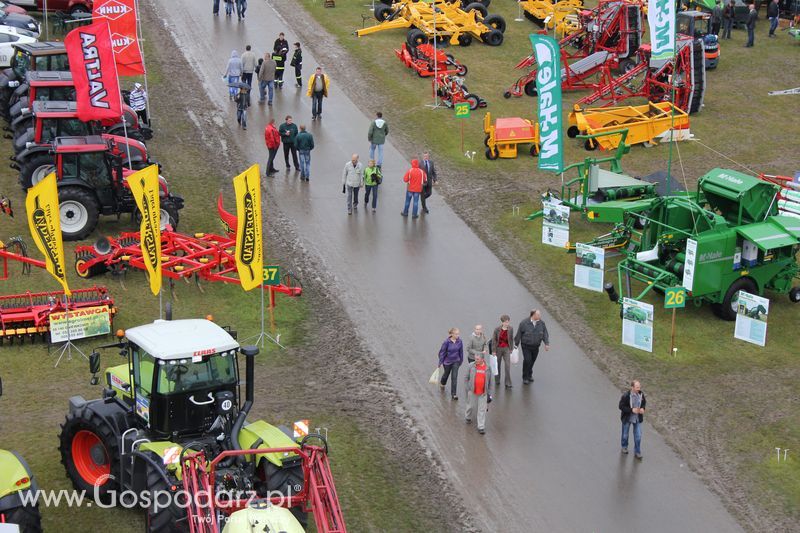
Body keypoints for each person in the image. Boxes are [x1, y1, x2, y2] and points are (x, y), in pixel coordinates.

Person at [514, 309, 550, 384]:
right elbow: (518, 335)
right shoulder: (524, 323)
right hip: (526, 346)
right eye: (538, 315)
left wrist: (546, 343)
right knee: (527, 360)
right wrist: (515, 345)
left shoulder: (541, 323)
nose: (540, 316)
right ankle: (525, 377)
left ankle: (529, 374)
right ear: (533, 315)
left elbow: (545, 334)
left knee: (532, 361)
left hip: (536, 347)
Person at [464, 353, 493, 434]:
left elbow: (490, 381)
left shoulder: (488, 367)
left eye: (477, 359)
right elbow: (466, 378)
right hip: (472, 391)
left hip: (483, 393)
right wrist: (468, 388)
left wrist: (489, 393)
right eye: (475, 359)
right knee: (471, 406)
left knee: (482, 410)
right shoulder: (471, 366)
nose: (475, 360)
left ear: (482, 359)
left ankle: (481, 426)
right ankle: (468, 417)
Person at [619, 380, 647, 460]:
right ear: (632, 387)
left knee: (638, 436)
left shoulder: (641, 394)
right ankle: (624, 446)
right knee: (625, 434)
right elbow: (621, 406)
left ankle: (637, 452)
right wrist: (631, 410)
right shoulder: (626, 396)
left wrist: (642, 409)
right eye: (637, 387)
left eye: (639, 387)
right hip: (627, 418)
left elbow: (644, 403)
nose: (639, 389)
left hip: (637, 418)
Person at [438, 327, 463, 400]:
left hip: (456, 361)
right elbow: (442, 353)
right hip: (447, 362)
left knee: (454, 377)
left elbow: (461, 352)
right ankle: (442, 383)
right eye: (456, 334)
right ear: (452, 334)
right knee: (446, 374)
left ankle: (454, 394)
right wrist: (440, 363)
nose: (457, 335)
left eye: (458, 334)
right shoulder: (446, 342)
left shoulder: (460, 341)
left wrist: (461, 361)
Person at [491, 315, 515, 389]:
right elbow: (494, 340)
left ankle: (508, 383)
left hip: (506, 348)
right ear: (502, 322)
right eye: (505, 322)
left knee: (507, 366)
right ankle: (497, 380)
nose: (507, 324)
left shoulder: (511, 329)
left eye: (508, 322)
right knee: (497, 365)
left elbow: (511, 339)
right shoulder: (497, 329)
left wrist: (511, 349)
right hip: (498, 348)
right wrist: (494, 350)